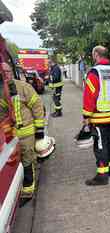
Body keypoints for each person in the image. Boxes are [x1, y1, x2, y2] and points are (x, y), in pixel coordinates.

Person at [0, 60, 54, 204]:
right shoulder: (3, 91)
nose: (4, 75)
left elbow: (37, 107)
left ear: (11, 72)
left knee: (28, 162)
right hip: (14, 135)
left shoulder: (23, 87)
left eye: (6, 72)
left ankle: (28, 192)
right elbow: (3, 113)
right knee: (18, 163)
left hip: (27, 133)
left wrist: (40, 130)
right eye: (2, 72)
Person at [82, 45, 110, 186]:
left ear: (96, 55)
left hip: (99, 117)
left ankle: (102, 175)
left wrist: (86, 116)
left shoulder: (94, 73)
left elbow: (89, 96)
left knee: (100, 145)